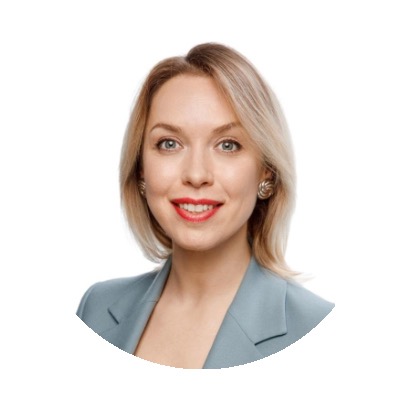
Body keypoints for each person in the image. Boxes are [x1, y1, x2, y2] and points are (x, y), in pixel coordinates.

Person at [76, 43, 334, 369]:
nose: (196, 175)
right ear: (141, 168)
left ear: (266, 172)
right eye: (169, 143)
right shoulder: (96, 309)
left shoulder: (318, 328)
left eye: (228, 145)